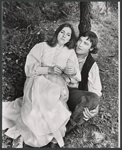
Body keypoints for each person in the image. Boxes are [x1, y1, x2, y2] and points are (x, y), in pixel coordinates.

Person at [2, 23, 81, 148]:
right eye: (62, 32)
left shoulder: (70, 52)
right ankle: (26, 135)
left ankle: (49, 136)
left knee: (57, 102)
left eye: (68, 35)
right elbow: (29, 68)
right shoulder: (42, 46)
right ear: (57, 32)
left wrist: (72, 71)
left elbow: (76, 75)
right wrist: (48, 69)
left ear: (70, 39)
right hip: (37, 81)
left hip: (57, 84)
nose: (64, 36)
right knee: (41, 99)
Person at [66, 31, 102, 133]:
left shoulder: (91, 65)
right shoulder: (67, 51)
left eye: (85, 43)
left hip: (72, 93)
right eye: (80, 41)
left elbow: (96, 91)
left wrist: (95, 108)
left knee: (93, 99)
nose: (80, 45)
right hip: (57, 88)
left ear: (91, 49)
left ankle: (68, 128)